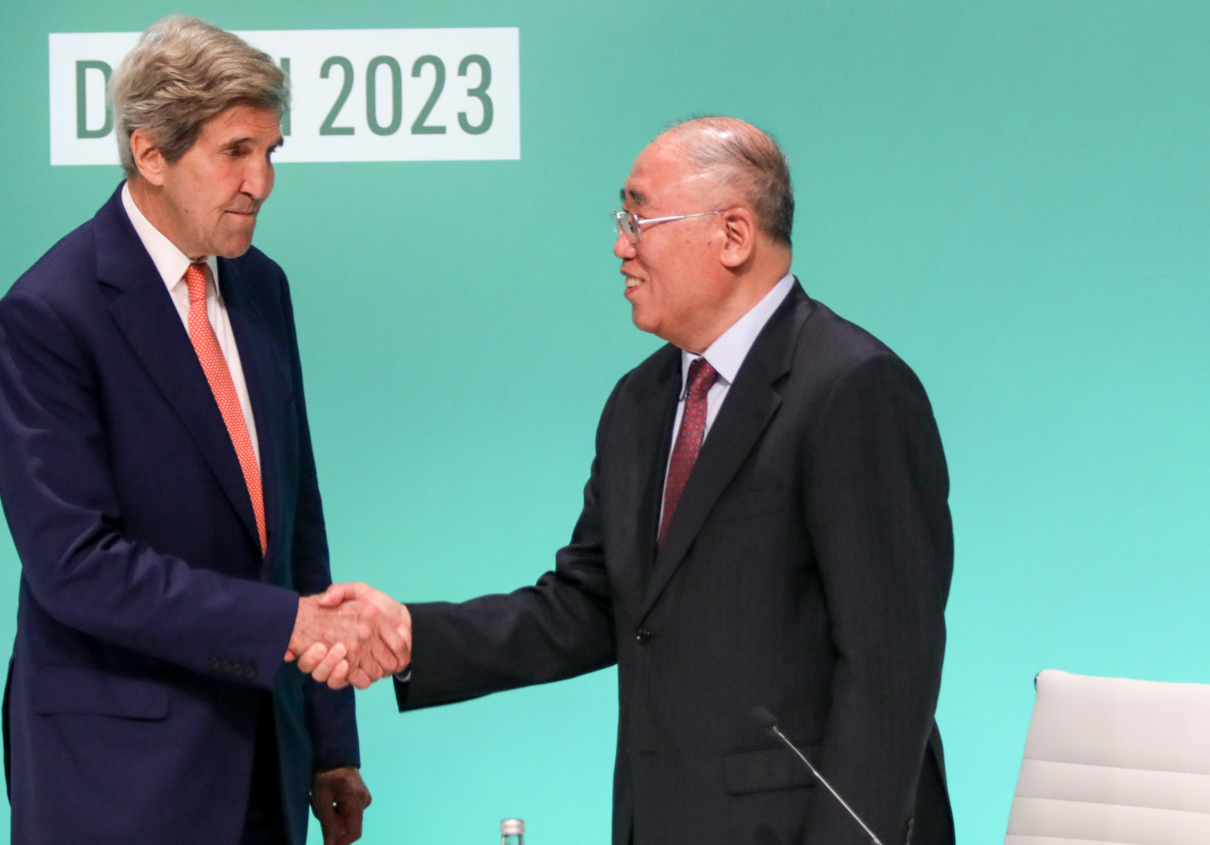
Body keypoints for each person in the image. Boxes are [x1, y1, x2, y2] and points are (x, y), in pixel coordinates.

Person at [312, 117, 955, 845]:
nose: (621, 244)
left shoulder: (852, 388)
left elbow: (889, 671)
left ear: (733, 234)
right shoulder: (639, 402)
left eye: (638, 216)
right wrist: (410, 636)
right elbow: (589, 605)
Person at [0, 16, 409, 845]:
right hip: (120, 782)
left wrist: (327, 740)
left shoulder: (261, 288)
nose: (262, 180)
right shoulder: (49, 313)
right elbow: (75, 565)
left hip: (265, 762)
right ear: (151, 154)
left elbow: (296, 529)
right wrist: (284, 628)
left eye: (271, 151)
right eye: (236, 150)